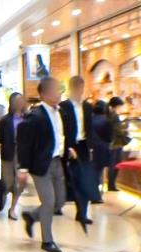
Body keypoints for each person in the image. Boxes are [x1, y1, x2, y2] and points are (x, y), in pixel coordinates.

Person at [17, 77, 67, 252]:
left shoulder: (61, 112)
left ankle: (32, 216)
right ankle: (47, 240)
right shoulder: (35, 116)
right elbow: (24, 143)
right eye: (54, 90)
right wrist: (23, 168)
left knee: (60, 201)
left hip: (58, 161)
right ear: (44, 94)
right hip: (41, 165)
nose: (58, 93)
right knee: (48, 201)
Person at [59, 76, 98, 232]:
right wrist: (67, 147)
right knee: (68, 178)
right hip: (68, 146)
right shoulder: (63, 107)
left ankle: (82, 213)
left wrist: (91, 147)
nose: (80, 91)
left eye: (82, 88)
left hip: (83, 146)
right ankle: (58, 204)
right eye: (77, 88)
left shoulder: (87, 107)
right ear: (71, 88)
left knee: (84, 179)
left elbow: (89, 128)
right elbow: (60, 129)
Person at [0, 92, 25, 220]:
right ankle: (3, 196)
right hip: (7, 155)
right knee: (7, 182)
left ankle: (12, 209)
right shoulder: (5, 120)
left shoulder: (27, 118)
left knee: (19, 184)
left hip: (22, 156)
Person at [91, 100, 113, 200]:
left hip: (91, 149)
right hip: (102, 149)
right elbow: (110, 137)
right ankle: (98, 195)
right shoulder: (106, 121)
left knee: (93, 172)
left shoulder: (89, 119)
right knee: (99, 172)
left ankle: (93, 193)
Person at [107, 97, 129, 191]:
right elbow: (117, 130)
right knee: (115, 165)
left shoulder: (109, 114)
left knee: (112, 165)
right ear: (117, 106)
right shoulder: (114, 116)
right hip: (116, 144)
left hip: (112, 144)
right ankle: (112, 185)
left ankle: (111, 185)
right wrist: (126, 132)